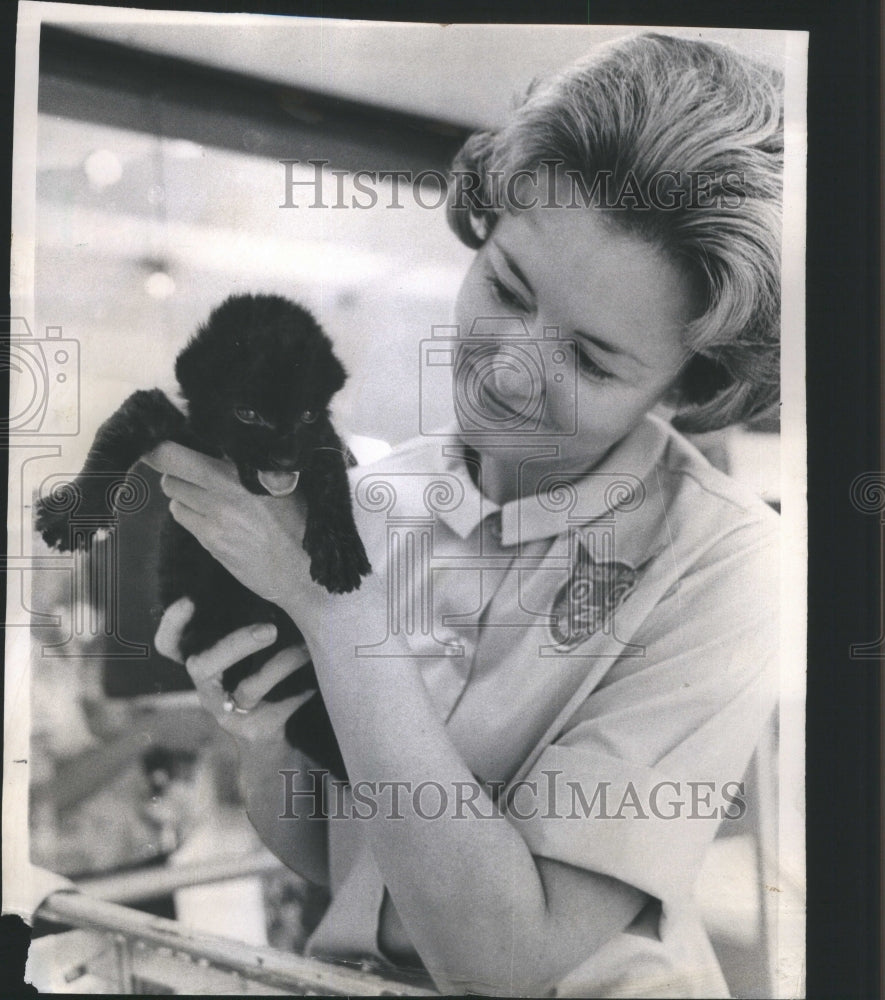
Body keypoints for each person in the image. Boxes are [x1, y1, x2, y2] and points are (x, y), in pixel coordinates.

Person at [147, 32, 783, 998]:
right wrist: (264, 739)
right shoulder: (371, 498)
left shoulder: (728, 564)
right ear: (481, 228)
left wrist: (334, 610)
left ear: (688, 384)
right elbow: (341, 870)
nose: (509, 367)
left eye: (591, 360)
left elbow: (506, 962)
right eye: (506, 286)